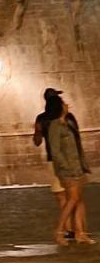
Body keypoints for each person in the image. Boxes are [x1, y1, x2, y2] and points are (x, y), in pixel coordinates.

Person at [45, 95, 92, 246]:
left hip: (77, 167)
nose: (66, 105)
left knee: (77, 200)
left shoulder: (68, 123)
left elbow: (77, 146)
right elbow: (56, 150)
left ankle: (80, 233)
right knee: (72, 199)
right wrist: (65, 166)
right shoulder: (55, 126)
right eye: (63, 103)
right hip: (67, 170)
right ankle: (59, 231)